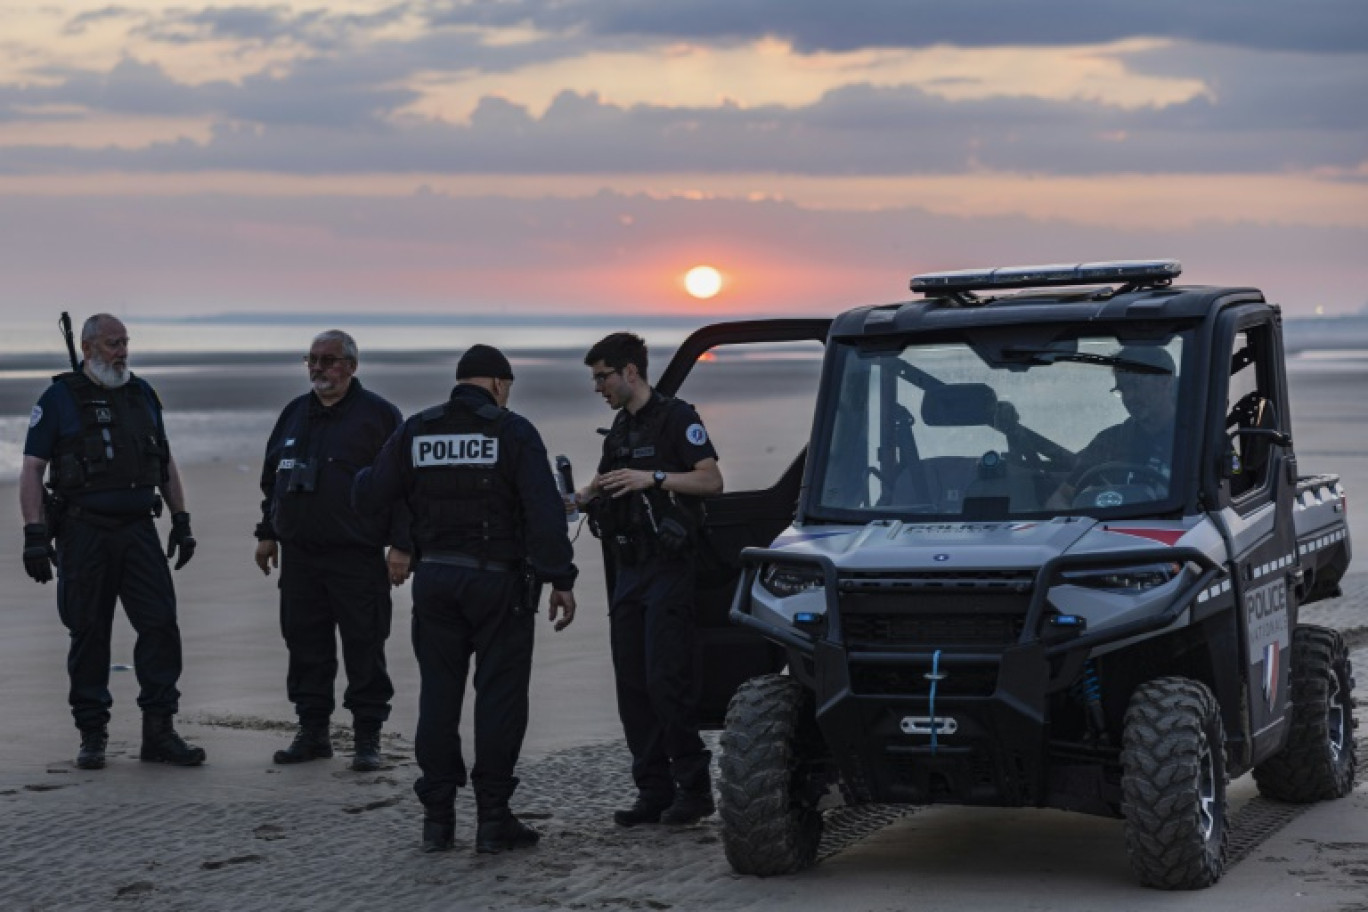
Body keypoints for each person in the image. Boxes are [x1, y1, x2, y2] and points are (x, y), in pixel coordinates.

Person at [353, 344, 578, 854]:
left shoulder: (417, 429)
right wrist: (560, 577)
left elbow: (367, 494)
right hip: (500, 585)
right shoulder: (513, 430)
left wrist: (405, 509)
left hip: (435, 583)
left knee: (439, 695)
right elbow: (543, 511)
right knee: (499, 698)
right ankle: (494, 820)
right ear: (499, 384)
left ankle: (437, 820)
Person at [19, 314, 205, 770]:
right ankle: (92, 734)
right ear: (87, 348)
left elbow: (164, 459)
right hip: (84, 530)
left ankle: (159, 733)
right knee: (88, 631)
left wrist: (181, 519)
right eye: (111, 343)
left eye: (124, 342)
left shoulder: (142, 394)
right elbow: (32, 469)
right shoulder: (59, 398)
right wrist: (34, 535)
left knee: (161, 626)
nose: (121, 351)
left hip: (139, 529)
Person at [571, 332, 723, 828]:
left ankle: (694, 788)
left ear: (629, 372)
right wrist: (580, 497)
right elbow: (600, 483)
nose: (598, 387)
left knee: (665, 680)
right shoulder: (619, 429)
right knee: (632, 684)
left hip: (668, 568)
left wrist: (653, 478)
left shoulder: (678, 417)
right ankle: (652, 790)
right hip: (629, 570)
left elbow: (711, 480)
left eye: (602, 377)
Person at [254, 330, 411, 771]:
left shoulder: (379, 416)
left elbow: (403, 489)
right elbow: (273, 479)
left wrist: (402, 545)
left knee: (364, 647)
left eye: (328, 360)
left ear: (351, 366)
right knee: (305, 646)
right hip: (300, 556)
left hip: (357, 556)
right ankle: (312, 732)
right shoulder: (293, 414)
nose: (318, 368)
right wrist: (267, 532)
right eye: (312, 360)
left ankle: (367, 738)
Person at [1048, 345, 1178, 508]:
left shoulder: (1195, 439)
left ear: (1165, 380)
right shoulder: (1109, 441)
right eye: (1122, 390)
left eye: (1135, 385)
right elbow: (1060, 497)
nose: (1129, 397)